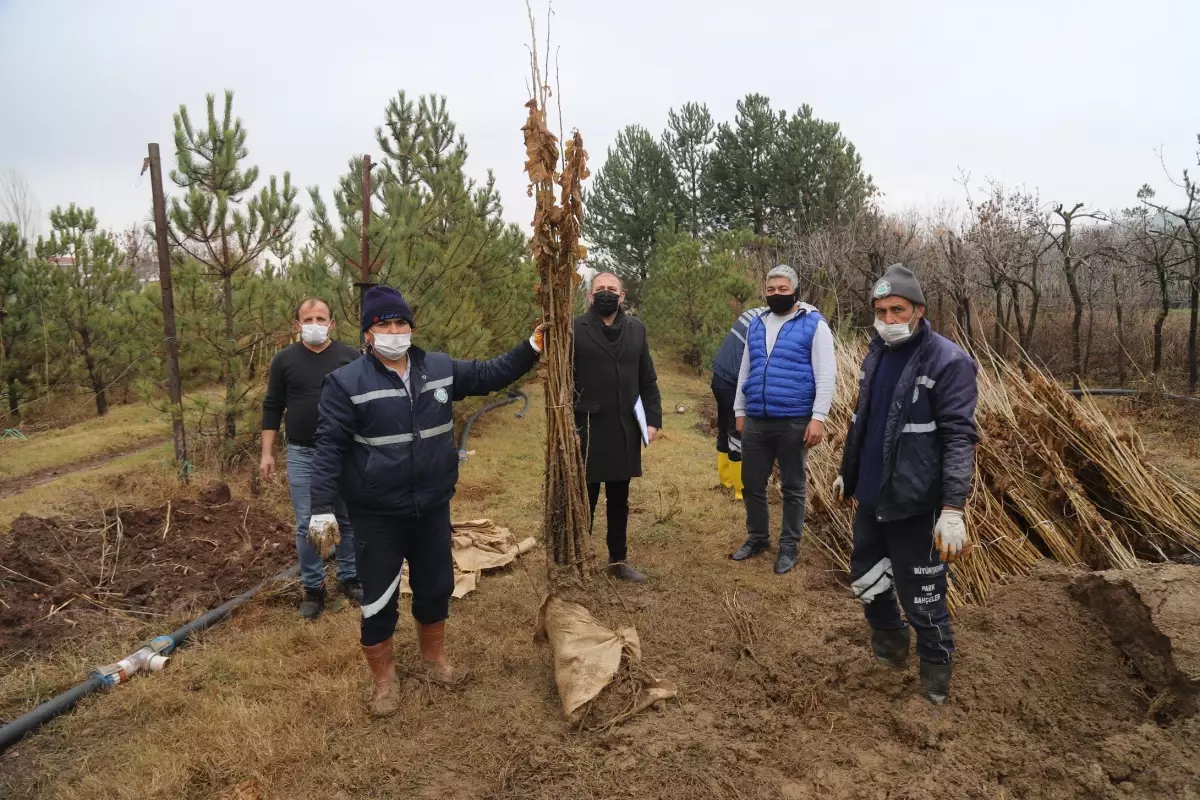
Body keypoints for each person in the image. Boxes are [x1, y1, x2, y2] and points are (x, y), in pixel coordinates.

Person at [307, 285, 545, 718]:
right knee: (378, 596)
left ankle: (435, 659)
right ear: (368, 334)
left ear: (411, 328)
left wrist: (531, 347)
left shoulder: (437, 368)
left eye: (401, 323)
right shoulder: (345, 383)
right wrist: (321, 508)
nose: (395, 331)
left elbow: (489, 373)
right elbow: (328, 448)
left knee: (436, 586)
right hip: (378, 512)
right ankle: (385, 680)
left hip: (432, 505)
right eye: (384, 324)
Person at [832, 263, 978, 705]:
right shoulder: (876, 353)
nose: (889, 320)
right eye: (880, 311)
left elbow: (959, 437)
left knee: (923, 598)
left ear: (919, 310)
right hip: (873, 496)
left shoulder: (949, 361)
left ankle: (935, 683)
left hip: (918, 505)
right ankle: (889, 650)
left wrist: (953, 509)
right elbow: (865, 423)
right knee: (866, 578)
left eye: (898, 310)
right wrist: (849, 473)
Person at [260, 297, 362, 619]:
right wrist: (267, 453)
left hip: (345, 451)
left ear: (332, 323)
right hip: (303, 454)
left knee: (347, 517)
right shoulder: (284, 360)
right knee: (309, 523)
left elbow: (364, 403)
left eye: (321, 318)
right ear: (297, 325)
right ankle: (314, 589)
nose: (315, 324)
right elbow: (272, 406)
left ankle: (349, 577)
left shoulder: (350, 357)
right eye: (309, 319)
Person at [731, 264, 836, 575]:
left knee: (793, 486)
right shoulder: (757, 324)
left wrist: (818, 417)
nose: (776, 294)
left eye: (782, 289)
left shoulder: (813, 324)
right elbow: (745, 370)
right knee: (751, 482)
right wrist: (740, 410)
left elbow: (826, 374)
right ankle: (758, 538)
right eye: (771, 289)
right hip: (757, 419)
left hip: (794, 420)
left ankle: (789, 545)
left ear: (795, 291)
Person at [573, 271, 663, 583]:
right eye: (601, 289)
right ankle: (578, 561)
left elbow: (647, 377)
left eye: (613, 289)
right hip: (586, 426)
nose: (606, 293)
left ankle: (617, 560)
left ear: (622, 296)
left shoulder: (636, 329)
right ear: (589, 295)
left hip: (625, 426)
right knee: (585, 498)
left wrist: (653, 419)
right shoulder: (574, 329)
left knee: (619, 498)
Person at [710, 305, 764, 501]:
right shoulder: (764, 322)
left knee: (725, 427)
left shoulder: (752, 313)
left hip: (719, 376)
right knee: (736, 431)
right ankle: (740, 490)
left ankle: (726, 479)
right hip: (732, 379)